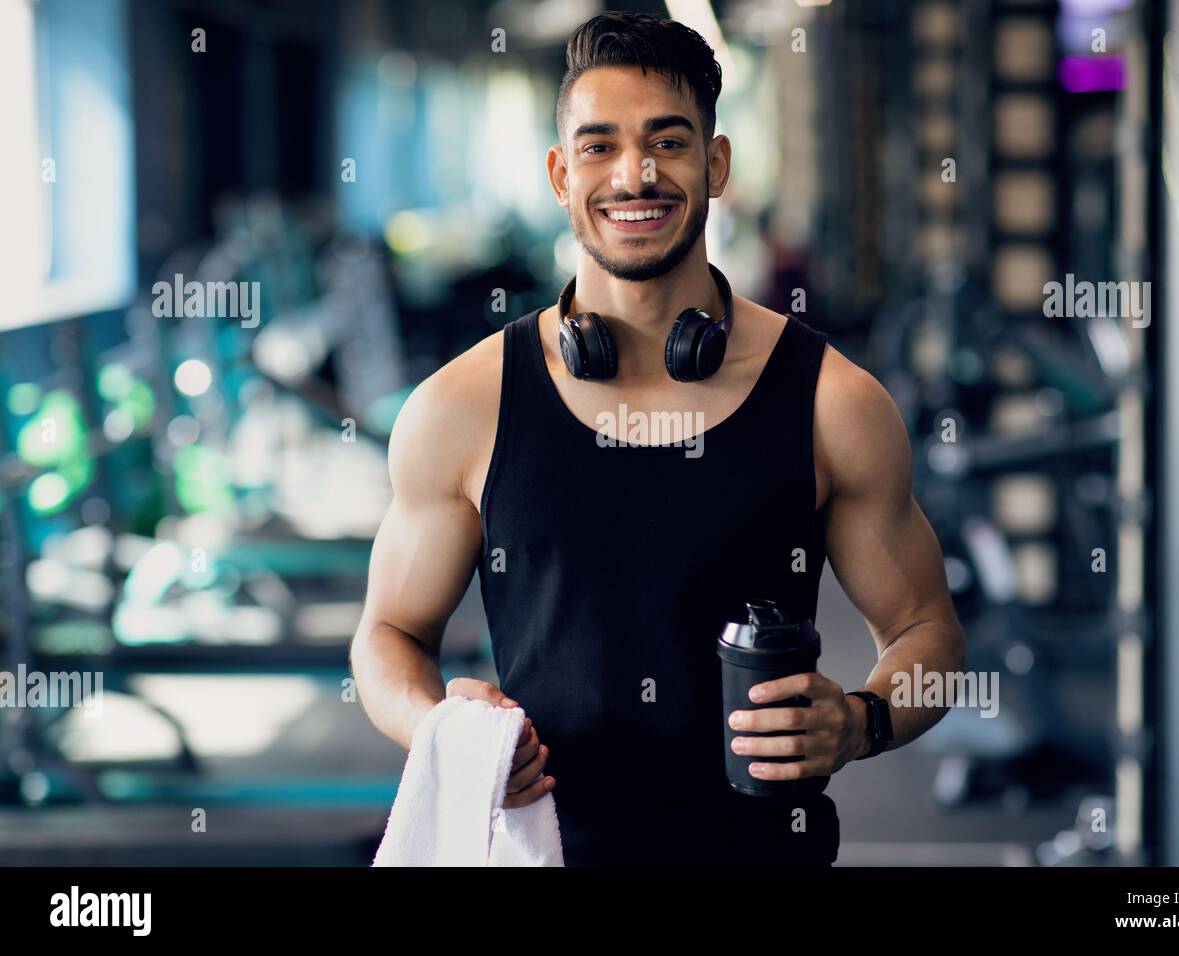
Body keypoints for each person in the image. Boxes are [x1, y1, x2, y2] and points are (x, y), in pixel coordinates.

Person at [350, 11, 965, 867]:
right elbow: (386, 636)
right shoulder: (463, 407)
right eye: (599, 147)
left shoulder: (832, 402)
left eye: (666, 142)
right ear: (562, 175)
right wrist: (444, 731)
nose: (634, 174)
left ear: (715, 165)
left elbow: (927, 632)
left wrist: (859, 722)